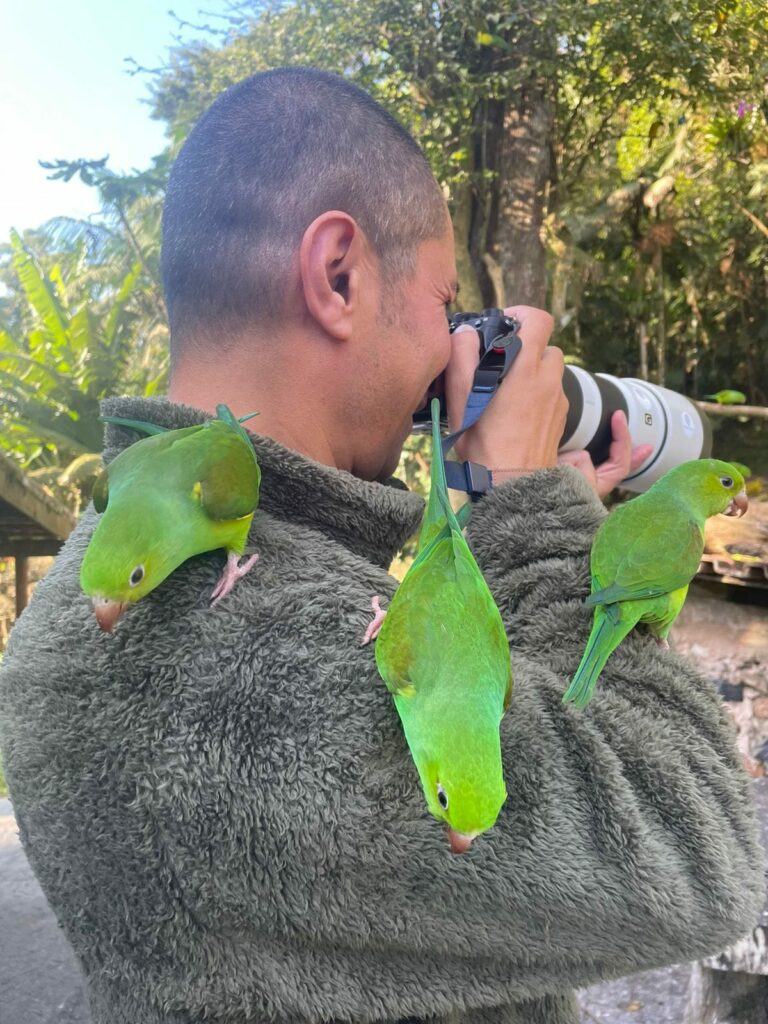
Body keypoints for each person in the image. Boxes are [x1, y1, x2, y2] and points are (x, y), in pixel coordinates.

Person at [1, 67, 764, 1024]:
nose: (450, 350)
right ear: (338, 277)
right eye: (446, 306)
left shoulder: (105, 588)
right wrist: (535, 511)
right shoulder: (269, 656)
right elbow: (705, 858)